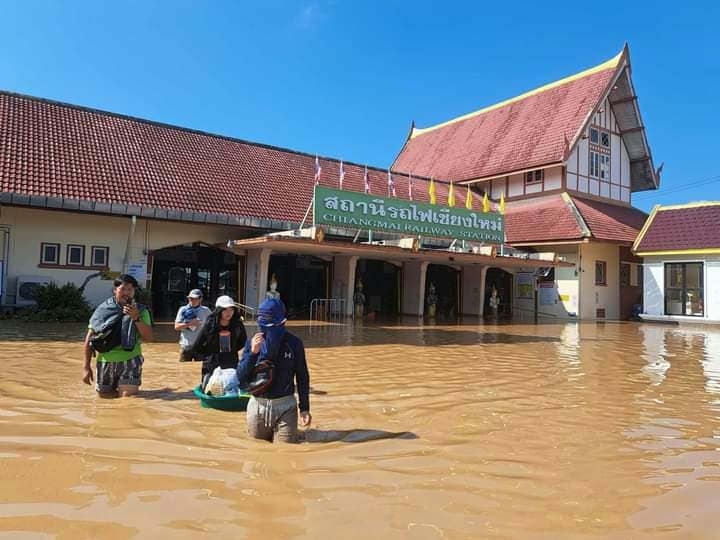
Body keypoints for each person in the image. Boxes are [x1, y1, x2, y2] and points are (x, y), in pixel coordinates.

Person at [237, 298, 311, 443]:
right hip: (258, 405)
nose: (266, 331)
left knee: (285, 451)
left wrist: (304, 408)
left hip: (286, 406)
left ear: (282, 322)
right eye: (263, 325)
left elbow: (302, 377)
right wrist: (253, 353)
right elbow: (240, 377)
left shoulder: (294, 344)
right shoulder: (253, 342)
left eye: (271, 325)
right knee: (256, 448)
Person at [83, 274, 153, 398]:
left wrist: (136, 318)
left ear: (134, 292)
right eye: (123, 289)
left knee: (127, 400)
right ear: (115, 290)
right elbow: (89, 338)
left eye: (130, 289)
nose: (126, 293)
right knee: (105, 400)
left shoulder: (141, 311)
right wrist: (86, 367)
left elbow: (149, 338)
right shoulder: (103, 310)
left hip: (131, 360)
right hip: (105, 361)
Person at [192, 295, 248, 386]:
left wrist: (231, 350)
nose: (228, 313)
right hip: (212, 363)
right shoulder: (210, 323)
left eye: (231, 309)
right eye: (225, 310)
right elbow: (198, 343)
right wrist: (208, 355)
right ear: (219, 310)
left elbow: (243, 341)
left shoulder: (237, 324)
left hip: (231, 362)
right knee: (210, 388)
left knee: (229, 388)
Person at [174, 289, 212, 362]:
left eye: (195, 298)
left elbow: (213, 325)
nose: (192, 300)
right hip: (186, 346)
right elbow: (176, 327)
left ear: (200, 299)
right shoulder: (183, 309)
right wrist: (190, 323)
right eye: (190, 298)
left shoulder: (206, 310)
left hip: (201, 346)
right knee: (183, 370)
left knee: (200, 369)